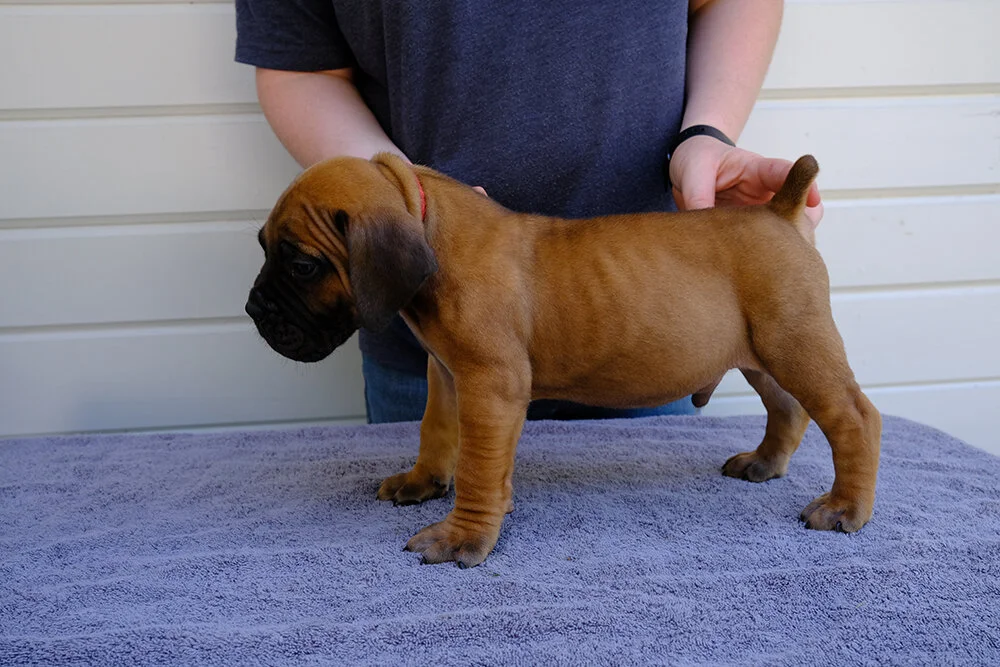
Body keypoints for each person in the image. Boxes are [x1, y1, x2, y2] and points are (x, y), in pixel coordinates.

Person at [235, 0, 823, 424]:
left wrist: (706, 134)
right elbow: (299, 64)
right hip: (426, 327)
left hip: (654, 311)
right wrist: (401, 198)